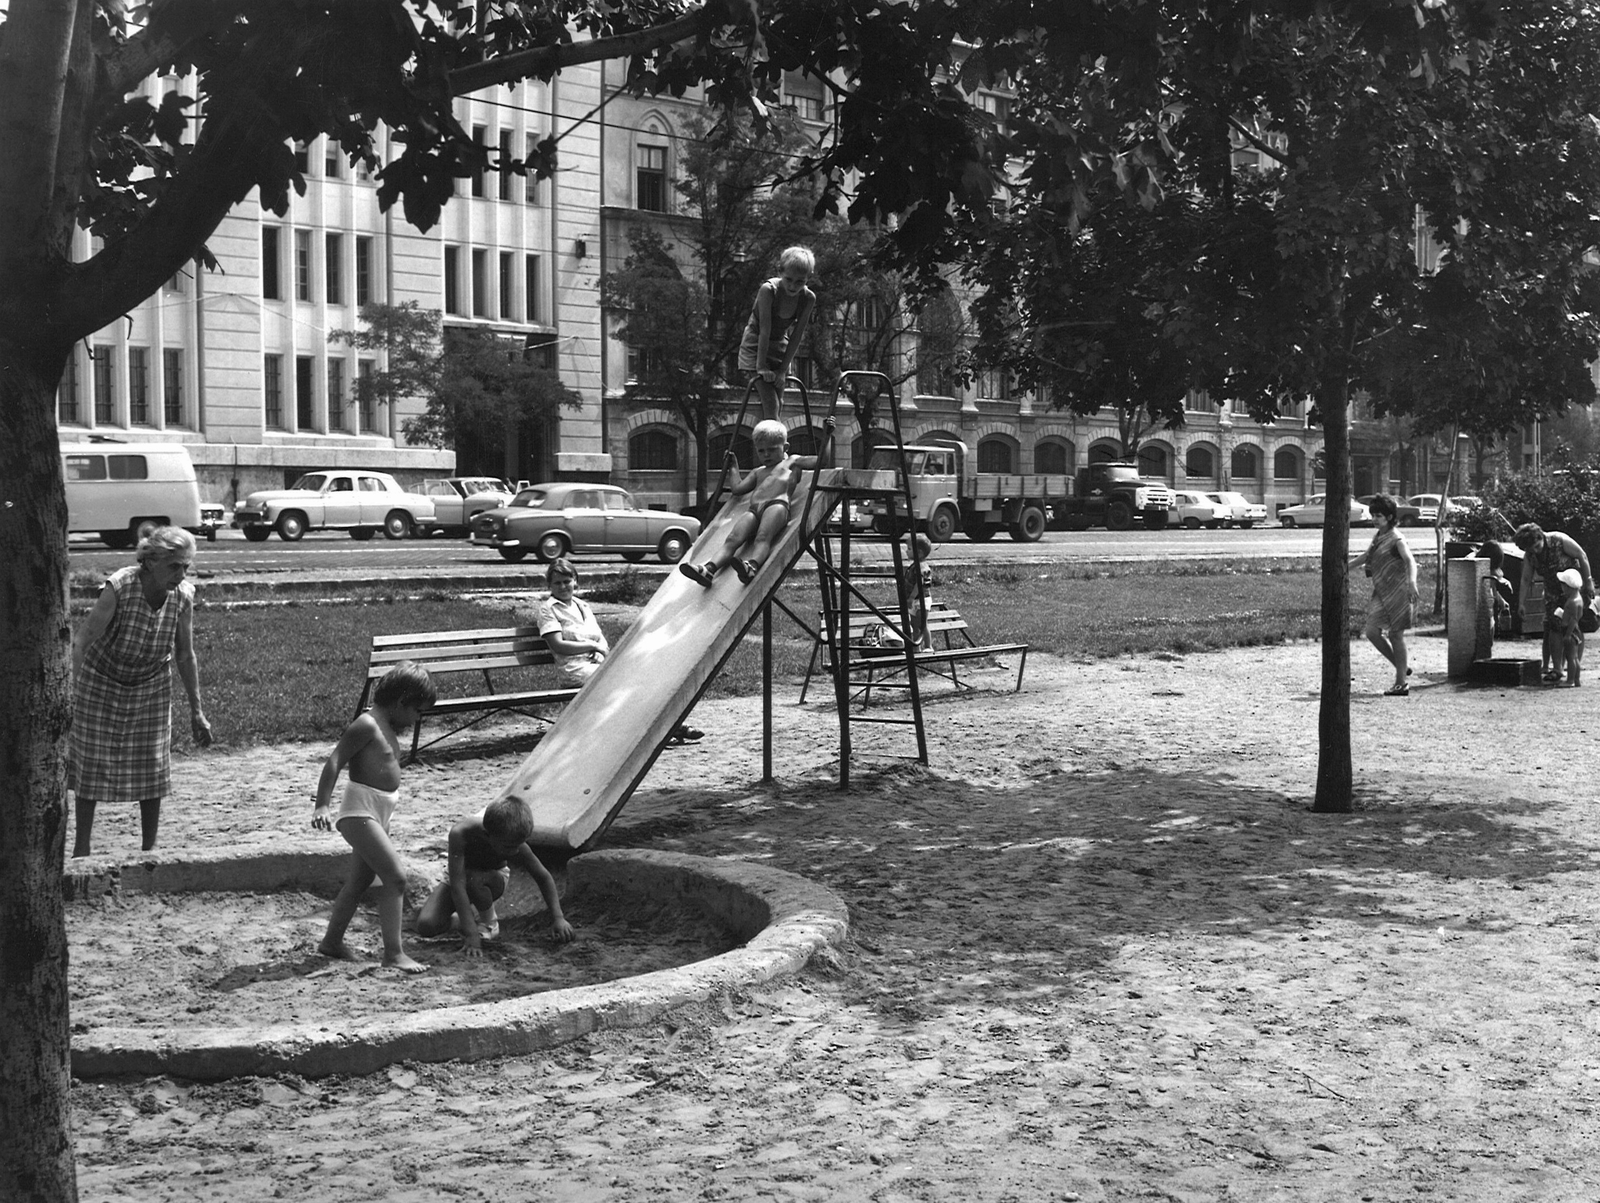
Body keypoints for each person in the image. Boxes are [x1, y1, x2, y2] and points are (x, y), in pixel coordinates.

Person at [70, 525, 213, 857]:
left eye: (185, 567)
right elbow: (82, 641)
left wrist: (197, 710)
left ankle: (150, 848)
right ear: (150, 562)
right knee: (91, 762)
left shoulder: (183, 596)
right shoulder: (120, 587)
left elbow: (184, 654)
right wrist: (71, 696)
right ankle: (81, 848)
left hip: (151, 683)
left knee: (153, 764)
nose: (181, 574)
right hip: (101, 679)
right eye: (174, 566)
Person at [312, 660, 438, 972]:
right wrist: (322, 805)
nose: (417, 719)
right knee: (395, 876)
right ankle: (393, 953)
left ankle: (331, 942)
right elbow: (334, 761)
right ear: (401, 702)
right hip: (359, 811)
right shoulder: (367, 725)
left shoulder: (385, 725)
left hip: (378, 813)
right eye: (417, 711)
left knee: (360, 880)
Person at [537, 558, 702, 743]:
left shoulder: (582, 606)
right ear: (549, 585)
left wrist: (604, 652)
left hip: (598, 664)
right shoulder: (548, 610)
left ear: (575, 580)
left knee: (641, 676)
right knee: (623, 684)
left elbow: (600, 638)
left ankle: (670, 726)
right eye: (557, 583)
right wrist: (592, 646)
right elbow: (557, 645)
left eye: (567, 581)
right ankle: (657, 732)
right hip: (574, 669)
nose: (563, 586)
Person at [679, 417, 833, 588]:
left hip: (777, 505)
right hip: (754, 510)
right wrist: (733, 467)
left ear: (785, 447)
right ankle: (709, 569)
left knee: (762, 537)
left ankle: (752, 566)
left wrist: (826, 437)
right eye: (761, 451)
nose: (766, 455)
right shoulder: (757, 471)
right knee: (732, 539)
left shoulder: (792, 462)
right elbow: (737, 488)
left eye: (772, 450)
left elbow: (822, 462)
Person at [414, 796, 575, 956]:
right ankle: (461, 921)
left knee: (475, 879)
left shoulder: (515, 843)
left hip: (494, 878)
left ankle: (489, 923)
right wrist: (470, 933)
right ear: (487, 834)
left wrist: (558, 917)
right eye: (508, 847)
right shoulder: (460, 834)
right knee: (427, 925)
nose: (514, 852)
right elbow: (457, 885)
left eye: (518, 845)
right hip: (459, 876)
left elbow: (543, 876)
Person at [1349, 493, 1420, 696]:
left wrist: (1412, 582)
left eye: (1378, 516)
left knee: (1395, 635)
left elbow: (1410, 561)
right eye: (1373, 515)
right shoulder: (1379, 536)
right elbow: (1367, 556)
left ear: (1389, 517)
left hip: (1399, 592)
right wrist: (1346, 566)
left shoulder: (1397, 539)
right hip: (1381, 592)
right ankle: (1401, 667)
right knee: (1372, 632)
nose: (1374, 519)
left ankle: (1401, 683)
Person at [739, 246, 817, 422]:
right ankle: (774, 446)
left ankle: (775, 446)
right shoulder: (768, 290)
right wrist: (761, 367)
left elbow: (797, 335)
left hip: (780, 346)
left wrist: (782, 369)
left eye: (800, 282)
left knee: (779, 403)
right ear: (780, 271)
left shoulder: (808, 298)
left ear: (808, 279)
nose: (792, 286)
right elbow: (764, 330)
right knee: (771, 403)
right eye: (788, 279)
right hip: (756, 344)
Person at [1513, 522, 1595, 686]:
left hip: (1572, 590)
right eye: (1531, 550)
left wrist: (1588, 582)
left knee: (1574, 628)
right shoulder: (1530, 555)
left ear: (1541, 537)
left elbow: (1582, 555)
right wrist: (1521, 603)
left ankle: (1574, 668)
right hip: (1552, 593)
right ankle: (1558, 669)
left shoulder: (1559, 540)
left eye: (1537, 546)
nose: (1535, 551)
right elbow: (1526, 579)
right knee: (1554, 626)